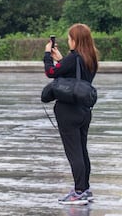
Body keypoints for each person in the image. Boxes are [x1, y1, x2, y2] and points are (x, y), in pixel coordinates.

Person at [43, 23, 99, 205]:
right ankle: (86, 189)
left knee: (73, 153)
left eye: (69, 38)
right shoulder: (90, 58)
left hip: (69, 111)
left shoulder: (73, 58)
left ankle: (79, 191)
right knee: (82, 151)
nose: (68, 41)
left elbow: (51, 72)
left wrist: (47, 55)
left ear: (75, 40)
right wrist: (61, 59)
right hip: (84, 110)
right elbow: (75, 76)